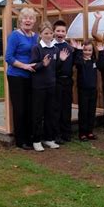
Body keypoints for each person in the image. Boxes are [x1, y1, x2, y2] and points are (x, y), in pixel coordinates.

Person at [30, 22, 70, 152]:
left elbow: (55, 67)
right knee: (38, 114)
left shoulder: (55, 49)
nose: (49, 35)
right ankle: (36, 140)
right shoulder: (36, 48)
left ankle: (49, 138)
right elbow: (32, 66)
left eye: (50, 33)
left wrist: (61, 61)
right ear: (40, 34)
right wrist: (42, 64)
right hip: (39, 86)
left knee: (50, 113)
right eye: (46, 33)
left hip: (51, 85)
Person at [5, 8, 38, 150]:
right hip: (17, 76)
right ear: (20, 20)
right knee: (20, 108)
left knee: (30, 107)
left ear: (35, 21)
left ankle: (31, 137)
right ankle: (21, 140)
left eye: (31, 18)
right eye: (25, 18)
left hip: (32, 76)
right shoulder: (15, 36)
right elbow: (9, 58)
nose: (28, 20)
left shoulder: (36, 36)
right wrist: (24, 66)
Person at [71, 39, 98, 141]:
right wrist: (78, 50)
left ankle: (90, 132)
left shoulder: (94, 61)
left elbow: (103, 64)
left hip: (93, 90)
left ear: (92, 51)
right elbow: (76, 61)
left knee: (91, 111)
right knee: (83, 112)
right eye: (85, 50)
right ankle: (82, 133)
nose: (87, 52)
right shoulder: (80, 61)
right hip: (83, 91)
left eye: (89, 50)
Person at [53, 20, 74, 143]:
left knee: (67, 107)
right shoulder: (51, 46)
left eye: (63, 31)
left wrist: (79, 51)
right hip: (56, 81)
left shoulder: (69, 47)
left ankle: (66, 133)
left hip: (68, 81)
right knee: (56, 108)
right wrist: (60, 60)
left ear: (66, 33)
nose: (60, 33)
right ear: (54, 32)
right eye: (58, 31)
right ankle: (57, 134)